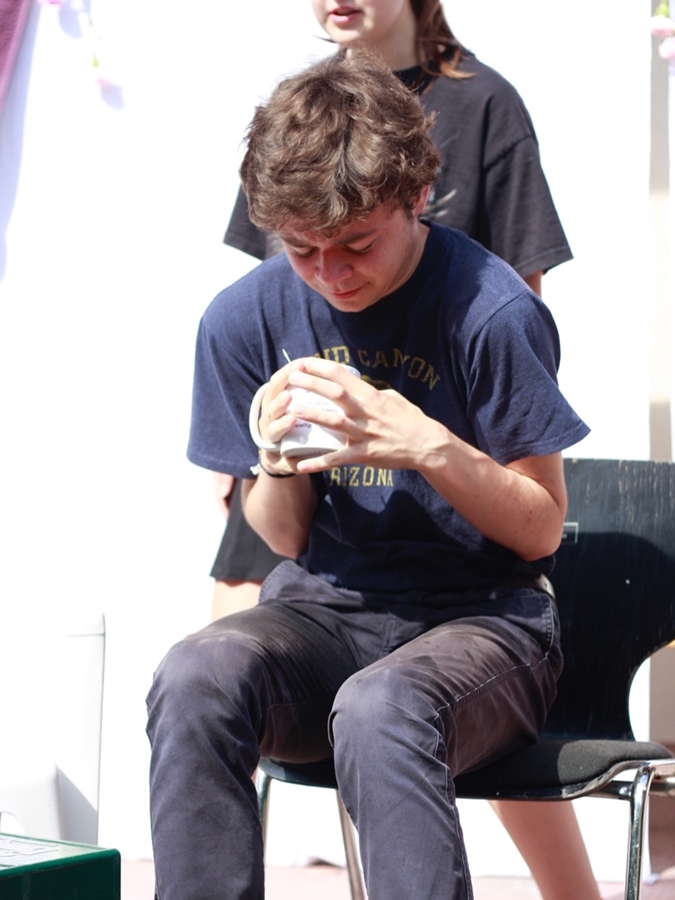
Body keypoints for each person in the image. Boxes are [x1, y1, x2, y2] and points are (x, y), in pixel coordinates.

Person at [147, 51, 591, 900]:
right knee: (195, 675)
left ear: (417, 196)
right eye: (302, 250)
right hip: (325, 613)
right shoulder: (244, 318)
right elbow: (283, 538)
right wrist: (276, 460)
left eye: (355, 244)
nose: (331, 273)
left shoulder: (489, 308)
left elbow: (539, 529)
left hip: (485, 621)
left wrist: (422, 443)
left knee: (384, 707)